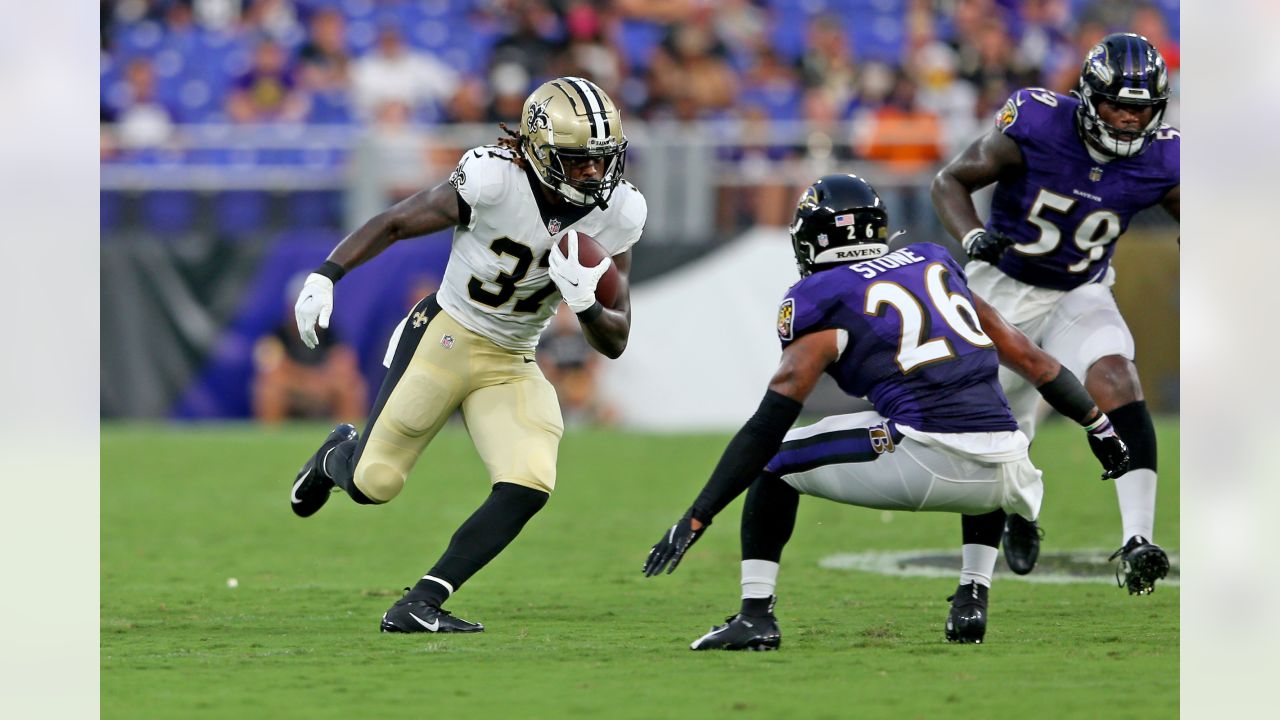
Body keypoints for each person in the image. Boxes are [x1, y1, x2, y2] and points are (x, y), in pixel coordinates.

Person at [643, 174, 1129, 648]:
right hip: (1008, 471)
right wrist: (1101, 427)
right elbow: (1033, 360)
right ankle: (972, 596)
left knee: (774, 462)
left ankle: (755, 616)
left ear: (811, 241)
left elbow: (771, 420)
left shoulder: (819, 297)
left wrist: (696, 517)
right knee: (988, 432)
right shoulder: (934, 261)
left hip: (923, 455)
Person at [290, 77, 645, 633]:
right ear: (539, 150)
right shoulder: (492, 178)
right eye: (578, 162)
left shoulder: (620, 213)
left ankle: (420, 602)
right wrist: (327, 273)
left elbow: (617, 338)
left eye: (602, 161)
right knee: (373, 483)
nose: (595, 176)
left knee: (529, 478)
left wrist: (586, 306)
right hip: (447, 336)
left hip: (512, 357)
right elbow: (396, 221)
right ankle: (337, 458)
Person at [930, 32, 1178, 594]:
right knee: (1001, 435)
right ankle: (1018, 515)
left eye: (1141, 110)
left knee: (1115, 373)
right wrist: (971, 236)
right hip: (1003, 292)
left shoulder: (1167, 156)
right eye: (1117, 104)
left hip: (1080, 289)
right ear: (1089, 96)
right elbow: (951, 180)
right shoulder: (1038, 122)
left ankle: (1139, 539)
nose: (1129, 120)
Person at [252, 274, 367, 424]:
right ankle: (270, 437)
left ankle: (347, 438)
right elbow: (271, 370)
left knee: (352, 386)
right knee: (270, 389)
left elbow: (344, 365)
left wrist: (319, 384)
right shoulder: (276, 336)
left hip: (323, 391)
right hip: (292, 392)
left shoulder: (334, 335)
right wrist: (306, 383)